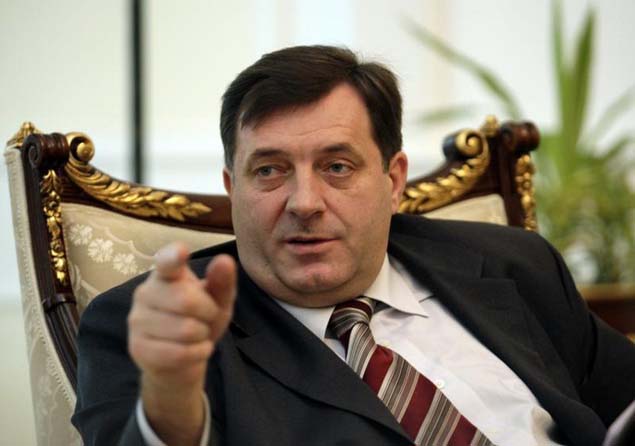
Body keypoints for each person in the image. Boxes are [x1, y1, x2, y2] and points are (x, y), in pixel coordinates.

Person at [72, 45, 635, 446]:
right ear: (232, 188)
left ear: (393, 180)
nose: (304, 202)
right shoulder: (153, 329)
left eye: (337, 166)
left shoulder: (515, 264)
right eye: (269, 170)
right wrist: (169, 397)